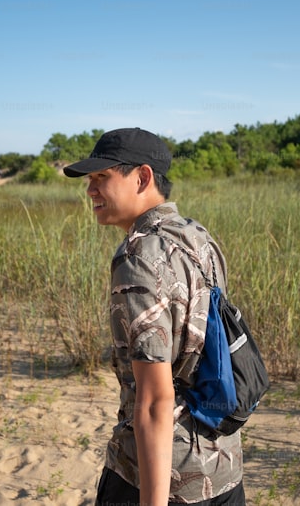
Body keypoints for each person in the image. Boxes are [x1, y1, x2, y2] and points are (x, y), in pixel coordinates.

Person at [64, 127, 245, 506]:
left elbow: (154, 401)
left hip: (160, 477)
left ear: (142, 177)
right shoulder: (198, 237)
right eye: (90, 180)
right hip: (223, 466)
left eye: (102, 177)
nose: (90, 190)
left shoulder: (138, 257)